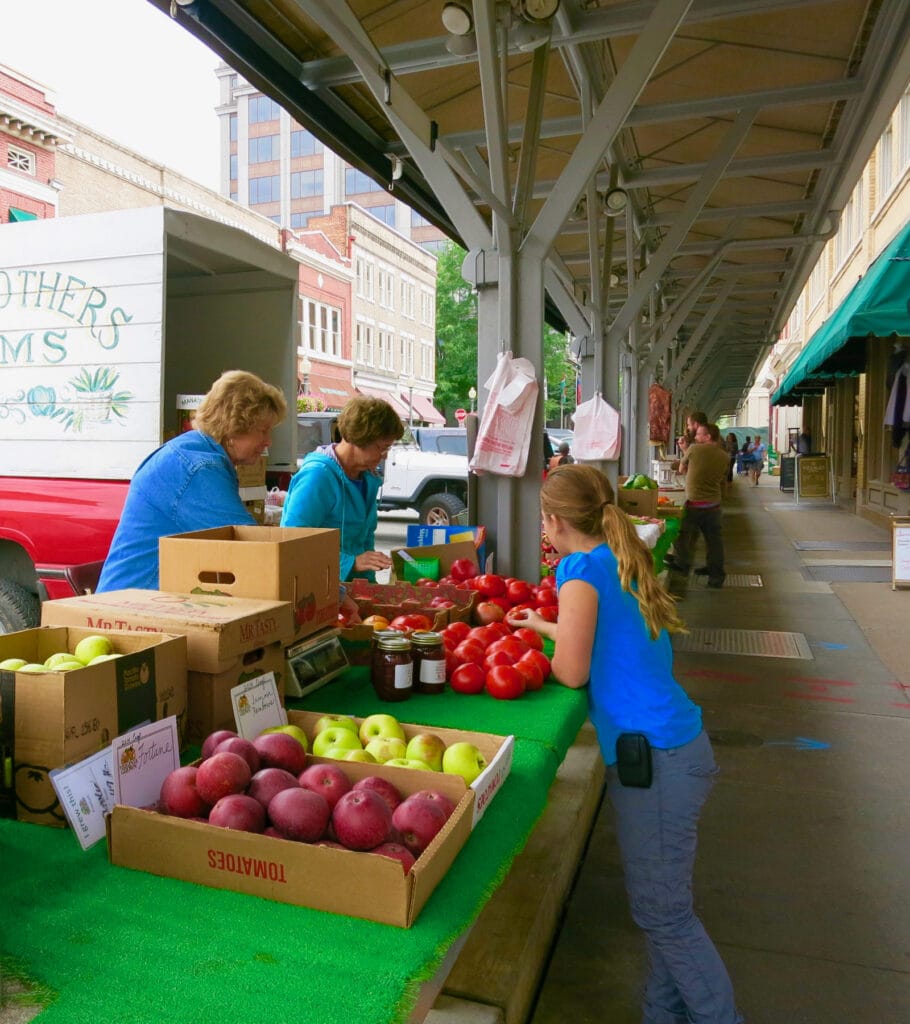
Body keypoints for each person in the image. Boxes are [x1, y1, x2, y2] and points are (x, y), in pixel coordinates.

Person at [513, 464, 742, 1024]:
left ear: (553, 520)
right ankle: (661, 1014)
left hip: (654, 761)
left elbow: (571, 672)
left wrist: (542, 649)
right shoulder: (619, 556)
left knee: (665, 916)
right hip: (677, 749)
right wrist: (543, 626)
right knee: (667, 909)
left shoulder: (577, 570)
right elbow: (601, 634)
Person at [97, 370, 287, 592]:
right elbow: (252, 551)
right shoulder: (199, 468)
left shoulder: (194, 453)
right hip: (136, 608)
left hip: (140, 599)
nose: (268, 442)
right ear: (234, 426)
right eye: (263, 431)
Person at [280, 394, 403, 582]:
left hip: (350, 590)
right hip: (317, 586)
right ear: (359, 438)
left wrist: (369, 586)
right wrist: (349, 562)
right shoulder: (317, 476)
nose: (385, 456)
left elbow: (365, 540)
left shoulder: (368, 478)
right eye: (381, 447)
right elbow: (293, 540)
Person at [668, 422, 730, 592]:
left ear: (707, 437)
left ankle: (683, 564)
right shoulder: (724, 456)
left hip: (695, 504)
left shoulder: (694, 449)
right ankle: (715, 576)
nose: (695, 437)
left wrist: (684, 450)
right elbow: (708, 473)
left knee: (681, 534)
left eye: (699, 434)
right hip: (714, 505)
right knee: (714, 542)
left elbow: (682, 470)